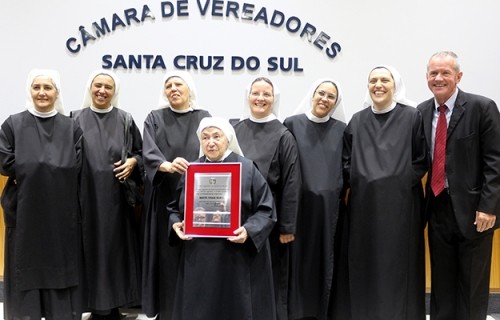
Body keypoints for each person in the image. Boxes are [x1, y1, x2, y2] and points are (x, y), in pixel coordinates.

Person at [417, 51, 500, 320]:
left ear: (458, 76)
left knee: (472, 285)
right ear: (427, 77)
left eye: (445, 73)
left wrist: (489, 207)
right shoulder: (420, 112)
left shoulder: (482, 107)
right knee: (441, 283)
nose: (438, 78)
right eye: (433, 73)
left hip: (475, 212)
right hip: (437, 208)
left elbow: (495, 161)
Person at [168, 116, 277, 320]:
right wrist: (176, 225)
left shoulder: (247, 168)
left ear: (228, 139)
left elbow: (266, 210)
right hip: (198, 256)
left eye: (216, 136)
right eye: (205, 137)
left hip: (235, 255)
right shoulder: (192, 171)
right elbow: (174, 209)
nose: (210, 142)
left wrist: (249, 230)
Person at [342, 65, 428, 319]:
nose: (378, 85)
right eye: (373, 80)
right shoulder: (356, 120)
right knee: (365, 263)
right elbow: (347, 163)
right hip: (364, 207)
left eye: (384, 80)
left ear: (395, 85)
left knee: (398, 265)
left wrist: (394, 182)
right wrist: (366, 181)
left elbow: (421, 160)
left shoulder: (412, 117)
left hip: (401, 207)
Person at [0, 69, 84, 319]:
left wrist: (31, 166)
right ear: (30, 91)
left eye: (48, 88)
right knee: (25, 263)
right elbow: (4, 160)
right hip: (24, 212)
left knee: (60, 263)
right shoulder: (13, 123)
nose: (42, 93)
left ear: (57, 92)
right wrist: (44, 166)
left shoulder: (71, 127)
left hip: (61, 212)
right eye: (37, 87)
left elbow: (76, 164)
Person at [71, 70, 142, 319]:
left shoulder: (126, 120)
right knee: (88, 249)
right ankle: (92, 306)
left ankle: (113, 306)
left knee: (115, 251)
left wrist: (133, 162)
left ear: (115, 91)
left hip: (116, 201)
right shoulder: (74, 119)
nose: (102, 91)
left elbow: (140, 153)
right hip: (84, 199)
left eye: (108, 87)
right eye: (97, 85)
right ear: (90, 88)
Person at [141, 71, 211, 318]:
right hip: (163, 196)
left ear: (189, 89)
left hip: (198, 197)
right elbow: (148, 150)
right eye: (168, 85)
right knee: (166, 255)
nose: (173, 89)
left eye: (178, 84)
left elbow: (213, 147)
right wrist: (166, 165)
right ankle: (168, 310)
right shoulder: (154, 117)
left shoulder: (203, 117)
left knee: (196, 252)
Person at [232, 77, 301, 320]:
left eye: (266, 94)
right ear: (248, 96)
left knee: (268, 277)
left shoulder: (283, 135)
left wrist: (287, 226)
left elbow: (292, 183)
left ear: (274, 99)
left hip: (269, 221)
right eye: (256, 93)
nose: (260, 98)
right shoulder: (235, 130)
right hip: (236, 219)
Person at [283, 78, 346, 320]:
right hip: (298, 210)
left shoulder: (342, 129)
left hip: (329, 211)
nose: (324, 99)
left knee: (324, 262)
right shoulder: (292, 124)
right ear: (312, 95)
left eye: (331, 96)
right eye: (321, 93)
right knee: (298, 263)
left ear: (336, 102)